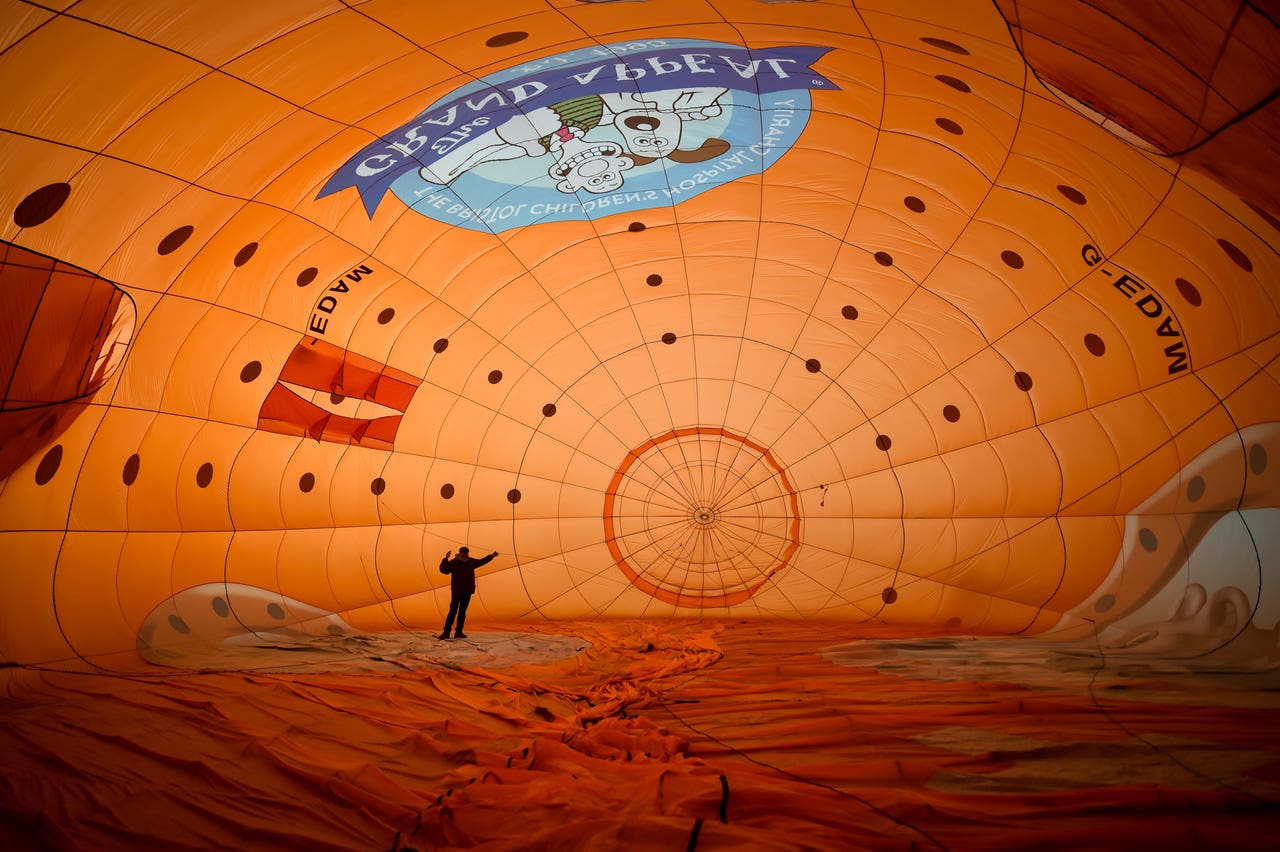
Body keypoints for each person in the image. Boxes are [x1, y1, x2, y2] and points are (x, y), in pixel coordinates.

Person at [437, 546, 497, 640]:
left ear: (467, 553)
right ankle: (446, 632)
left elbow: (482, 561)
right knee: (453, 611)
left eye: (465, 554)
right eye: (463, 554)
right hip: (457, 591)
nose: (464, 556)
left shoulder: (471, 562)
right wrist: (445, 559)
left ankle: (458, 632)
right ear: (460, 553)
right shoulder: (454, 562)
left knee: (462, 612)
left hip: (467, 591)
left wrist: (491, 556)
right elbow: (444, 571)